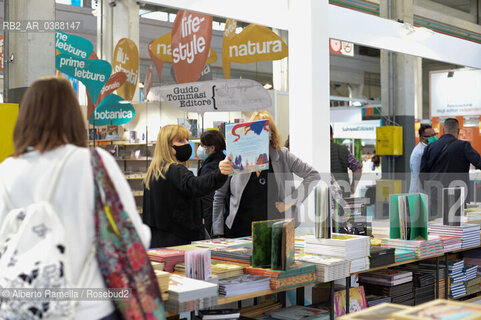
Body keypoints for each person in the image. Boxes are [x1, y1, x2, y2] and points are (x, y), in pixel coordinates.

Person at [0, 76, 150, 320]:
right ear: (73, 116)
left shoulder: (5, 172)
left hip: (26, 310)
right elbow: (134, 239)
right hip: (92, 307)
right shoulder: (96, 163)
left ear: (25, 117)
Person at [212, 111, 320, 238]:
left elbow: (313, 175)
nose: (258, 135)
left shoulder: (282, 156)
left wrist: (291, 200)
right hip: (239, 228)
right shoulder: (235, 157)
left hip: (275, 229)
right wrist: (218, 231)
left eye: (263, 131)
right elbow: (219, 195)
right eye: (254, 131)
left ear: (271, 134)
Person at [142, 125, 233, 247]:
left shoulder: (154, 172)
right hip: (178, 242)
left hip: (157, 242)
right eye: (180, 140)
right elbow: (196, 186)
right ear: (168, 146)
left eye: (186, 139)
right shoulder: (175, 170)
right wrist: (220, 173)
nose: (186, 144)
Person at [421, 118, 481, 216]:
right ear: (458, 131)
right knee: (455, 229)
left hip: (435, 195)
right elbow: (479, 162)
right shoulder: (463, 146)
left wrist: (431, 190)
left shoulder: (429, 148)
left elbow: (422, 174)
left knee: (436, 227)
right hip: (457, 197)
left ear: (443, 131)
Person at [197, 130, 226, 236]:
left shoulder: (210, 167)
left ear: (212, 148)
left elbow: (208, 197)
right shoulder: (223, 161)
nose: (200, 149)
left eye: (203, 145)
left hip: (211, 215)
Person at [330, 125, 362, 197]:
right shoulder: (343, 150)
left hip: (321, 194)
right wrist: (353, 186)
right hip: (342, 193)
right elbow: (358, 168)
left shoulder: (313, 152)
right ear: (332, 135)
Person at [409, 124, 435, 193]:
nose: (434, 138)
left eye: (434, 135)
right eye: (430, 136)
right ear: (422, 138)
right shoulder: (419, 152)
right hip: (419, 191)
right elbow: (418, 175)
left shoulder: (428, 149)